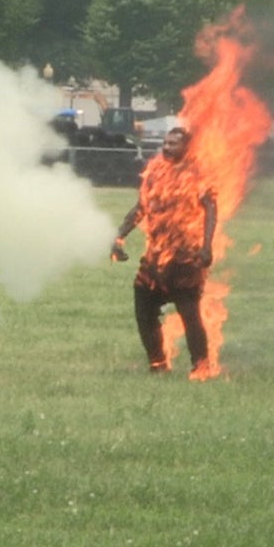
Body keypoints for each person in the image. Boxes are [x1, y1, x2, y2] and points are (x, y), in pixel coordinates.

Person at [110, 128, 217, 378]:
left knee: (190, 315)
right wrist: (118, 236)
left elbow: (211, 210)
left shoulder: (198, 173)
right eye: (165, 143)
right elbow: (141, 208)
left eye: (173, 144)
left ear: (186, 147)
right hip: (156, 256)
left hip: (185, 257)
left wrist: (207, 246)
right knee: (143, 308)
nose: (167, 147)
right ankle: (157, 364)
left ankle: (201, 367)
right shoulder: (155, 171)